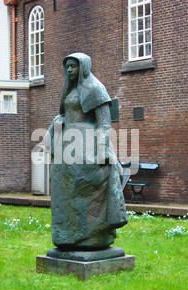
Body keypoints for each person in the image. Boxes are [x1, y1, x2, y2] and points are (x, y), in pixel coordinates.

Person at [46, 53, 127, 251]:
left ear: (84, 66)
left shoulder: (96, 89)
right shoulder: (70, 89)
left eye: (73, 66)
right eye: (68, 67)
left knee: (86, 190)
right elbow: (67, 113)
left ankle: (91, 235)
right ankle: (66, 235)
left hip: (88, 146)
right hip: (68, 147)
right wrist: (58, 121)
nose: (70, 70)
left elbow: (105, 123)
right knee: (65, 190)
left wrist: (102, 151)